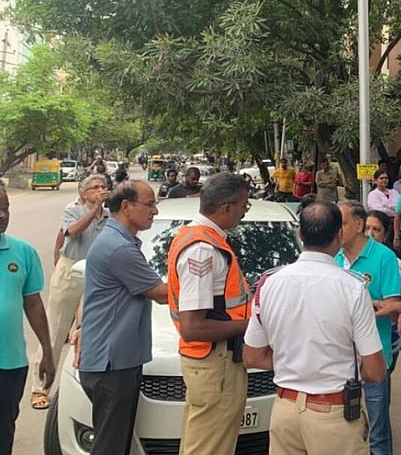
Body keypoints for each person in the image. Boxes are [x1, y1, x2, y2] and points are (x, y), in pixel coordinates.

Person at [243, 203, 385, 455]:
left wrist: (299, 362)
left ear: (300, 234)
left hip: (284, 410)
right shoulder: (352, 289)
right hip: (333, 413)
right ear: (339, 235)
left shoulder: (269, 284)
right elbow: (374, 370)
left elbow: (252, 356)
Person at [76, 181, 169, 454]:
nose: (154, 211)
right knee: (110, 446)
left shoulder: (117, 240)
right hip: (111, 365)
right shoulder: (119, 248)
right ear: (126, 207)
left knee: (115, 442)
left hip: (112, 362)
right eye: (149, 204)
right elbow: (162, 293)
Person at [166, 173, 253, 455]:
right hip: (215, 363)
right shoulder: (202, 250)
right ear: (226, 207)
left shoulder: (202, 239)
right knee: (208, 448)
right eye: (243, 205)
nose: (244, 211)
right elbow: (193, 327)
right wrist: (248, 325)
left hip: (215, 362)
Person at [30, 175, 109, 410]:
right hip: (71, 270)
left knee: (90, 332)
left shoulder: (109, 214)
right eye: (95, 188)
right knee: (55, 331)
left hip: (96, 274)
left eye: (103, 187)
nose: (101, 191)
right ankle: (40, 388)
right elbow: (72, 232)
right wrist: (94, 209)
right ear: (83, 192)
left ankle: (80, 390)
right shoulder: (73, 209)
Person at [335, 201, 401, 455]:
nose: (336, 230)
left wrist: (357, 305)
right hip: (338, 359)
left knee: (377, 430)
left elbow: (392, 305)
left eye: (341, 224)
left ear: (359, 224)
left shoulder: (384, 257)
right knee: (341, 429)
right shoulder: (334, 256)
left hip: (373, 357)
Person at [0, 187, 54, 454]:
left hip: (10, 364)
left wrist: (47, 350)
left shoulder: (23, 252)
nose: (2, 215)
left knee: (4, 430)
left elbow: (33, 303)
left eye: (6, 208)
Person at [366, 209, 401, 371]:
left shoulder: (395, 264)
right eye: (367, 228)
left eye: (376, 230)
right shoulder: (346, 259)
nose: (370, 234)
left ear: (385, 235)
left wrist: (400, 327)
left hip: (387, 336)